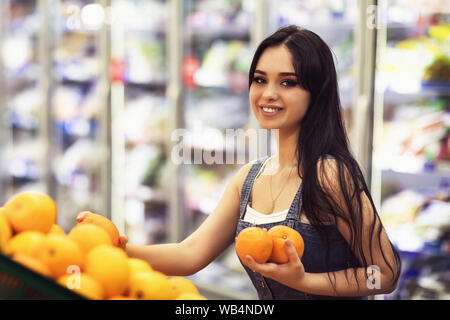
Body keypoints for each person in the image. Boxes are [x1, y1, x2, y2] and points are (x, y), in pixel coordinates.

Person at [80, 25, 401, 299]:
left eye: (287, 82)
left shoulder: (330, 175)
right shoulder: (250, 177)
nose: (268, 94)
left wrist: (305, 282)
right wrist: (114, 250)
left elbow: (384, 275)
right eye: (260, 80)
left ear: (315, 92)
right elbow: (190, 253)